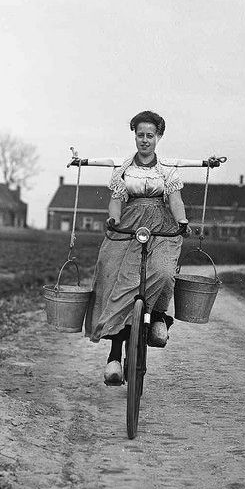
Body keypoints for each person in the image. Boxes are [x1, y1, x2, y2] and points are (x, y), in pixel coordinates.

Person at [84, 110, 190, 384]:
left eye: (150, 135)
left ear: (158, 137)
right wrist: (114, 218)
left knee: (164, 272)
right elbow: (116, 200)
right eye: (140, 135)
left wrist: (181, 220)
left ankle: (158, 316)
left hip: (160, 225)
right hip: (129, 225)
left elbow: (175, 200)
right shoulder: (124, 169)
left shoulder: (167, 171)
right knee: (112, 271)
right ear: (134, 136)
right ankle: (114, 356)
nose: (145, 140)